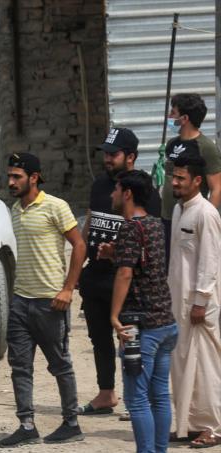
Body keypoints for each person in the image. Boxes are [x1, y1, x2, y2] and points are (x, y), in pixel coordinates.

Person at [0, 152, 86, 448]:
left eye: (17, 177)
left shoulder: (56, 206)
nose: (11, 182)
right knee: (20, 366)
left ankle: (71, 423)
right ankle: (26, 425)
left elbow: (79, 245)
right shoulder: (15, 210)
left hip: (50, 302)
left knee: (60, 364)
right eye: (9, 177)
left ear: (34, 178)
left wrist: (68, 289)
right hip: (20, 301)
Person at [78, 128, 160, 418]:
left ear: (131, 157)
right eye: (106, 153)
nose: (108, 159)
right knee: (99, 338)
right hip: (95, 276)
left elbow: (151, 237)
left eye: (114, 154)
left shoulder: (144, 190)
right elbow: (90, 224)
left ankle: (137, 399)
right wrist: (78, 268)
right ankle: (106, 393)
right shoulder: (100, 185)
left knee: (131, 340)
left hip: (126, 280)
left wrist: (119, 252)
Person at [105, 170, 178, 453]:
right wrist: (115, 253)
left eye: (116, 189)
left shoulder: (130, 228)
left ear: (128, 194)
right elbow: (142, 266)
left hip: (140, 327)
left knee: (137, 400)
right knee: (159, 397)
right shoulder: (155, 225)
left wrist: (114, 315)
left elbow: (125, 274)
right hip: (165, 323)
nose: (112, 195)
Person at [166, 143, 221, 449]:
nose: (175, 182)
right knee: (182, 362)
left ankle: (213, 427)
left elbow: (210, 261)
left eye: (181, 178)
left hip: (201, 305)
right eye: (174, 177)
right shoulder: (178, 210)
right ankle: (187, 425)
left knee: (205, 364)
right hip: (178, 301)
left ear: (197, 180)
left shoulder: (206, 213)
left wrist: (200, 301)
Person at [160, 94, 221, 260]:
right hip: (168, 217)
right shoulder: (172, 144)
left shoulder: (206, 147)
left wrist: (203, 220)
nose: (169, 117)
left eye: (173, 113)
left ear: (184, 118)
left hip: (190, 220)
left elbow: (217, 188)